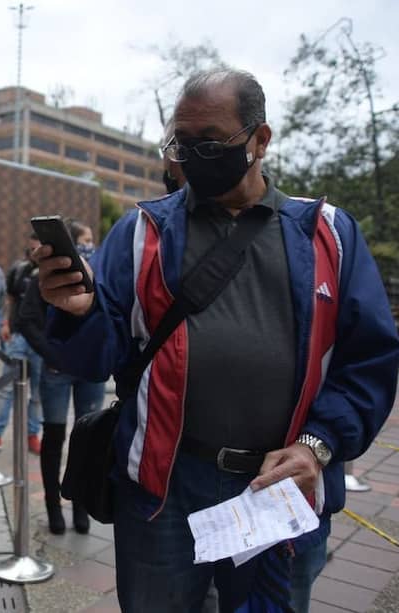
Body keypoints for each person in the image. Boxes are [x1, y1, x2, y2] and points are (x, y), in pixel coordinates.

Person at [37, 68, 399, 612]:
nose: (190, 158)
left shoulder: (328, 235)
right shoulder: (141, 234)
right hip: (165, 488)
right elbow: (98, 356)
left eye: (209, 143)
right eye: (182, 143)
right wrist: (77, 312)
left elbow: (368, 360)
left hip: (279, 487)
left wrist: (319, 444)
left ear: (261, 139)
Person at [17, 221, 105, 534]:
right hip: (57, 371)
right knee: (53, 439)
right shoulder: (43, 276)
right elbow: (26, 320)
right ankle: (54, 507)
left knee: (87, 438)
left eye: (92, 242)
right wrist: (54, 354)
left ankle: (80, 505)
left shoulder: (100, 271)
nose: (89, 247)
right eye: (84, 241)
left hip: (91, 370)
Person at [0, 235, 44, 454]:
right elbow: (11, 299)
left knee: (37, 395)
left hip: (44, 341)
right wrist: (5, 322)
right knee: (5, 390)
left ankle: (33, 434)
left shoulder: (55, 272)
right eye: (31, 249)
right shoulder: (20, 270)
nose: (34, 254)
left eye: (37, 249)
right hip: (19, 337)